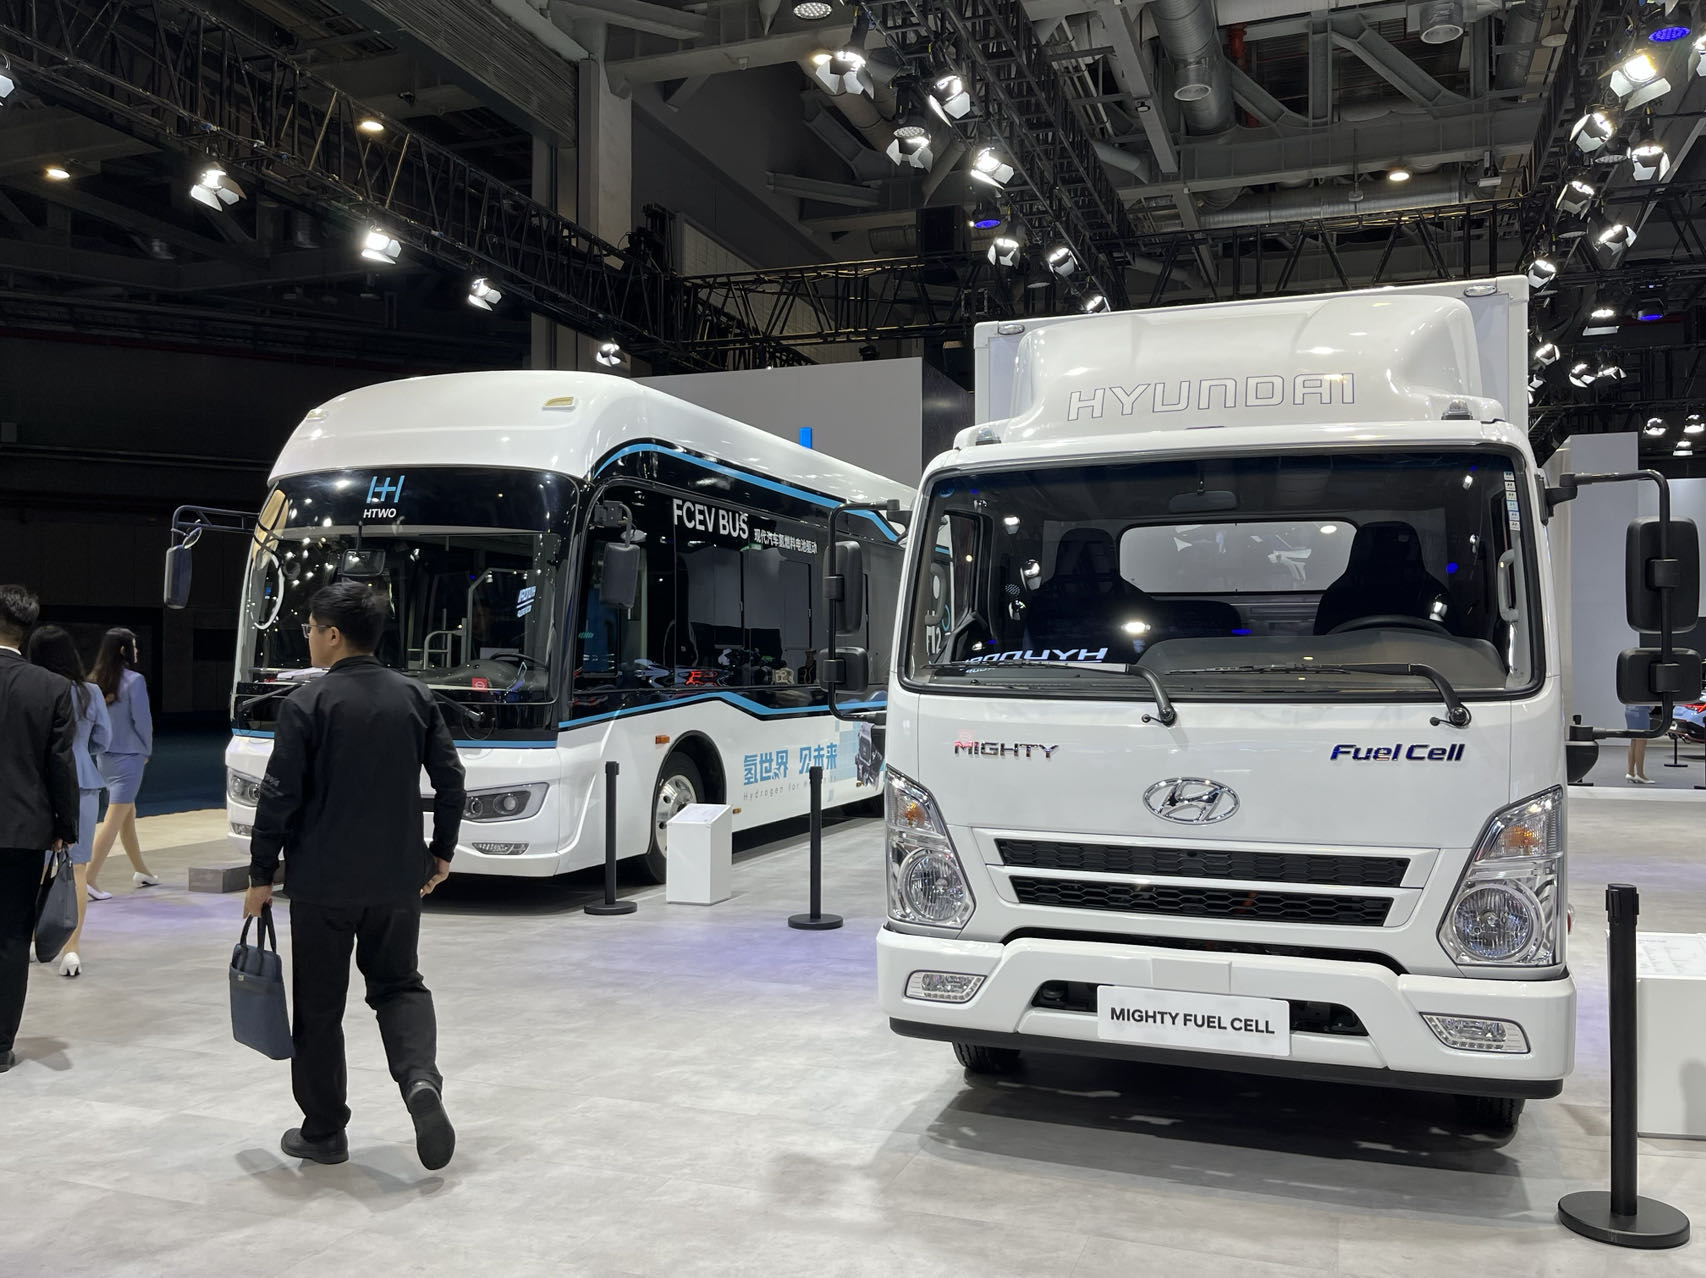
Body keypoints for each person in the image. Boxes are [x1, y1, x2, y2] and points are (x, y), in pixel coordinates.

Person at [246, 581, 466, 1170]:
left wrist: (261, 873)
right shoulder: (415, 697)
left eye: (311, 629)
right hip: (397, 878)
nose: (308, 637)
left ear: (333, 635)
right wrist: (441, 851)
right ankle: (420, 1081)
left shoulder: (307, 704)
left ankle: (324, 1132)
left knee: (319, 1007)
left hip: (322, 883)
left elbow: (279, 796)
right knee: (399, 985)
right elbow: (451, 780)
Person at [0, 586, 79, 1072]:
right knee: (11, 937)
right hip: (24, 830)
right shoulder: (51, 688)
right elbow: (60, 764)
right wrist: (64, 827)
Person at [25, 627, 112, 977]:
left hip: (37, 783)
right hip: (83, 784)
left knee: (33, 864)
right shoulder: (89, 692)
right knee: (75, 868)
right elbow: (103, 740)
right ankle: (71, 950)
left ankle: (33, 939)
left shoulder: (34, 687)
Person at [86, 628, 159, 897]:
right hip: (129, 757)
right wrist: (147, 749)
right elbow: (143, 721)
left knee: (127, 814)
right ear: (123, 650)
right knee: (114, 818)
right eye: (134, 646)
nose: (137, 651)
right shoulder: (134, 681)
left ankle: (142, 870)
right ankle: (89, 878)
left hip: (104, 757)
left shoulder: (93, 681)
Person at [1627, 703, 1659, 784]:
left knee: (1633, 740)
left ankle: (1630, 772)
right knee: (1641, 741)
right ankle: (1640, 774)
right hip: (1640, 711)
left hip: (1629, 709)